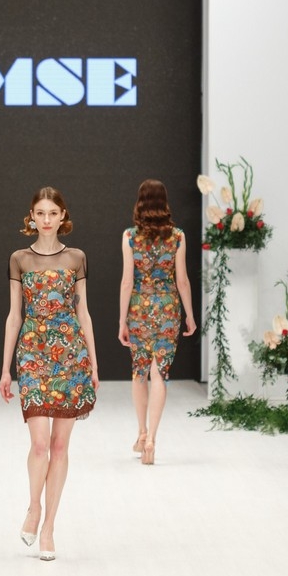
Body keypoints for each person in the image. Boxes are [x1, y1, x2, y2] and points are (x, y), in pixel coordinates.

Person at [0, 187, 99, 562]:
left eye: (52, 213)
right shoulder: (19, 259)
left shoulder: (76, 257)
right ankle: (34, 506)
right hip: (32, 355)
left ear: (62, 217)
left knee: (59, 447)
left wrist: (93, 364)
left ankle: (49, 528)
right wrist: (5, 369)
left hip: (70, 356)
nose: (45, 219)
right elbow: (14, 317)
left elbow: (83, 313)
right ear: (32, 217)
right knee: (39, 444)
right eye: (40, 213)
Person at [116, 179, 196, 464]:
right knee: (159, 372)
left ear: (140, 202)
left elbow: (127, 282)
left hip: (139, 308)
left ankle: (141, 433)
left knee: (139, 371)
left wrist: (122, 320)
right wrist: (189, 315)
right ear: (164, 202)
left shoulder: (129, 236)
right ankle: (152, 439)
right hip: (167, 308)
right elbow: (182, 280)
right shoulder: (178, 236)